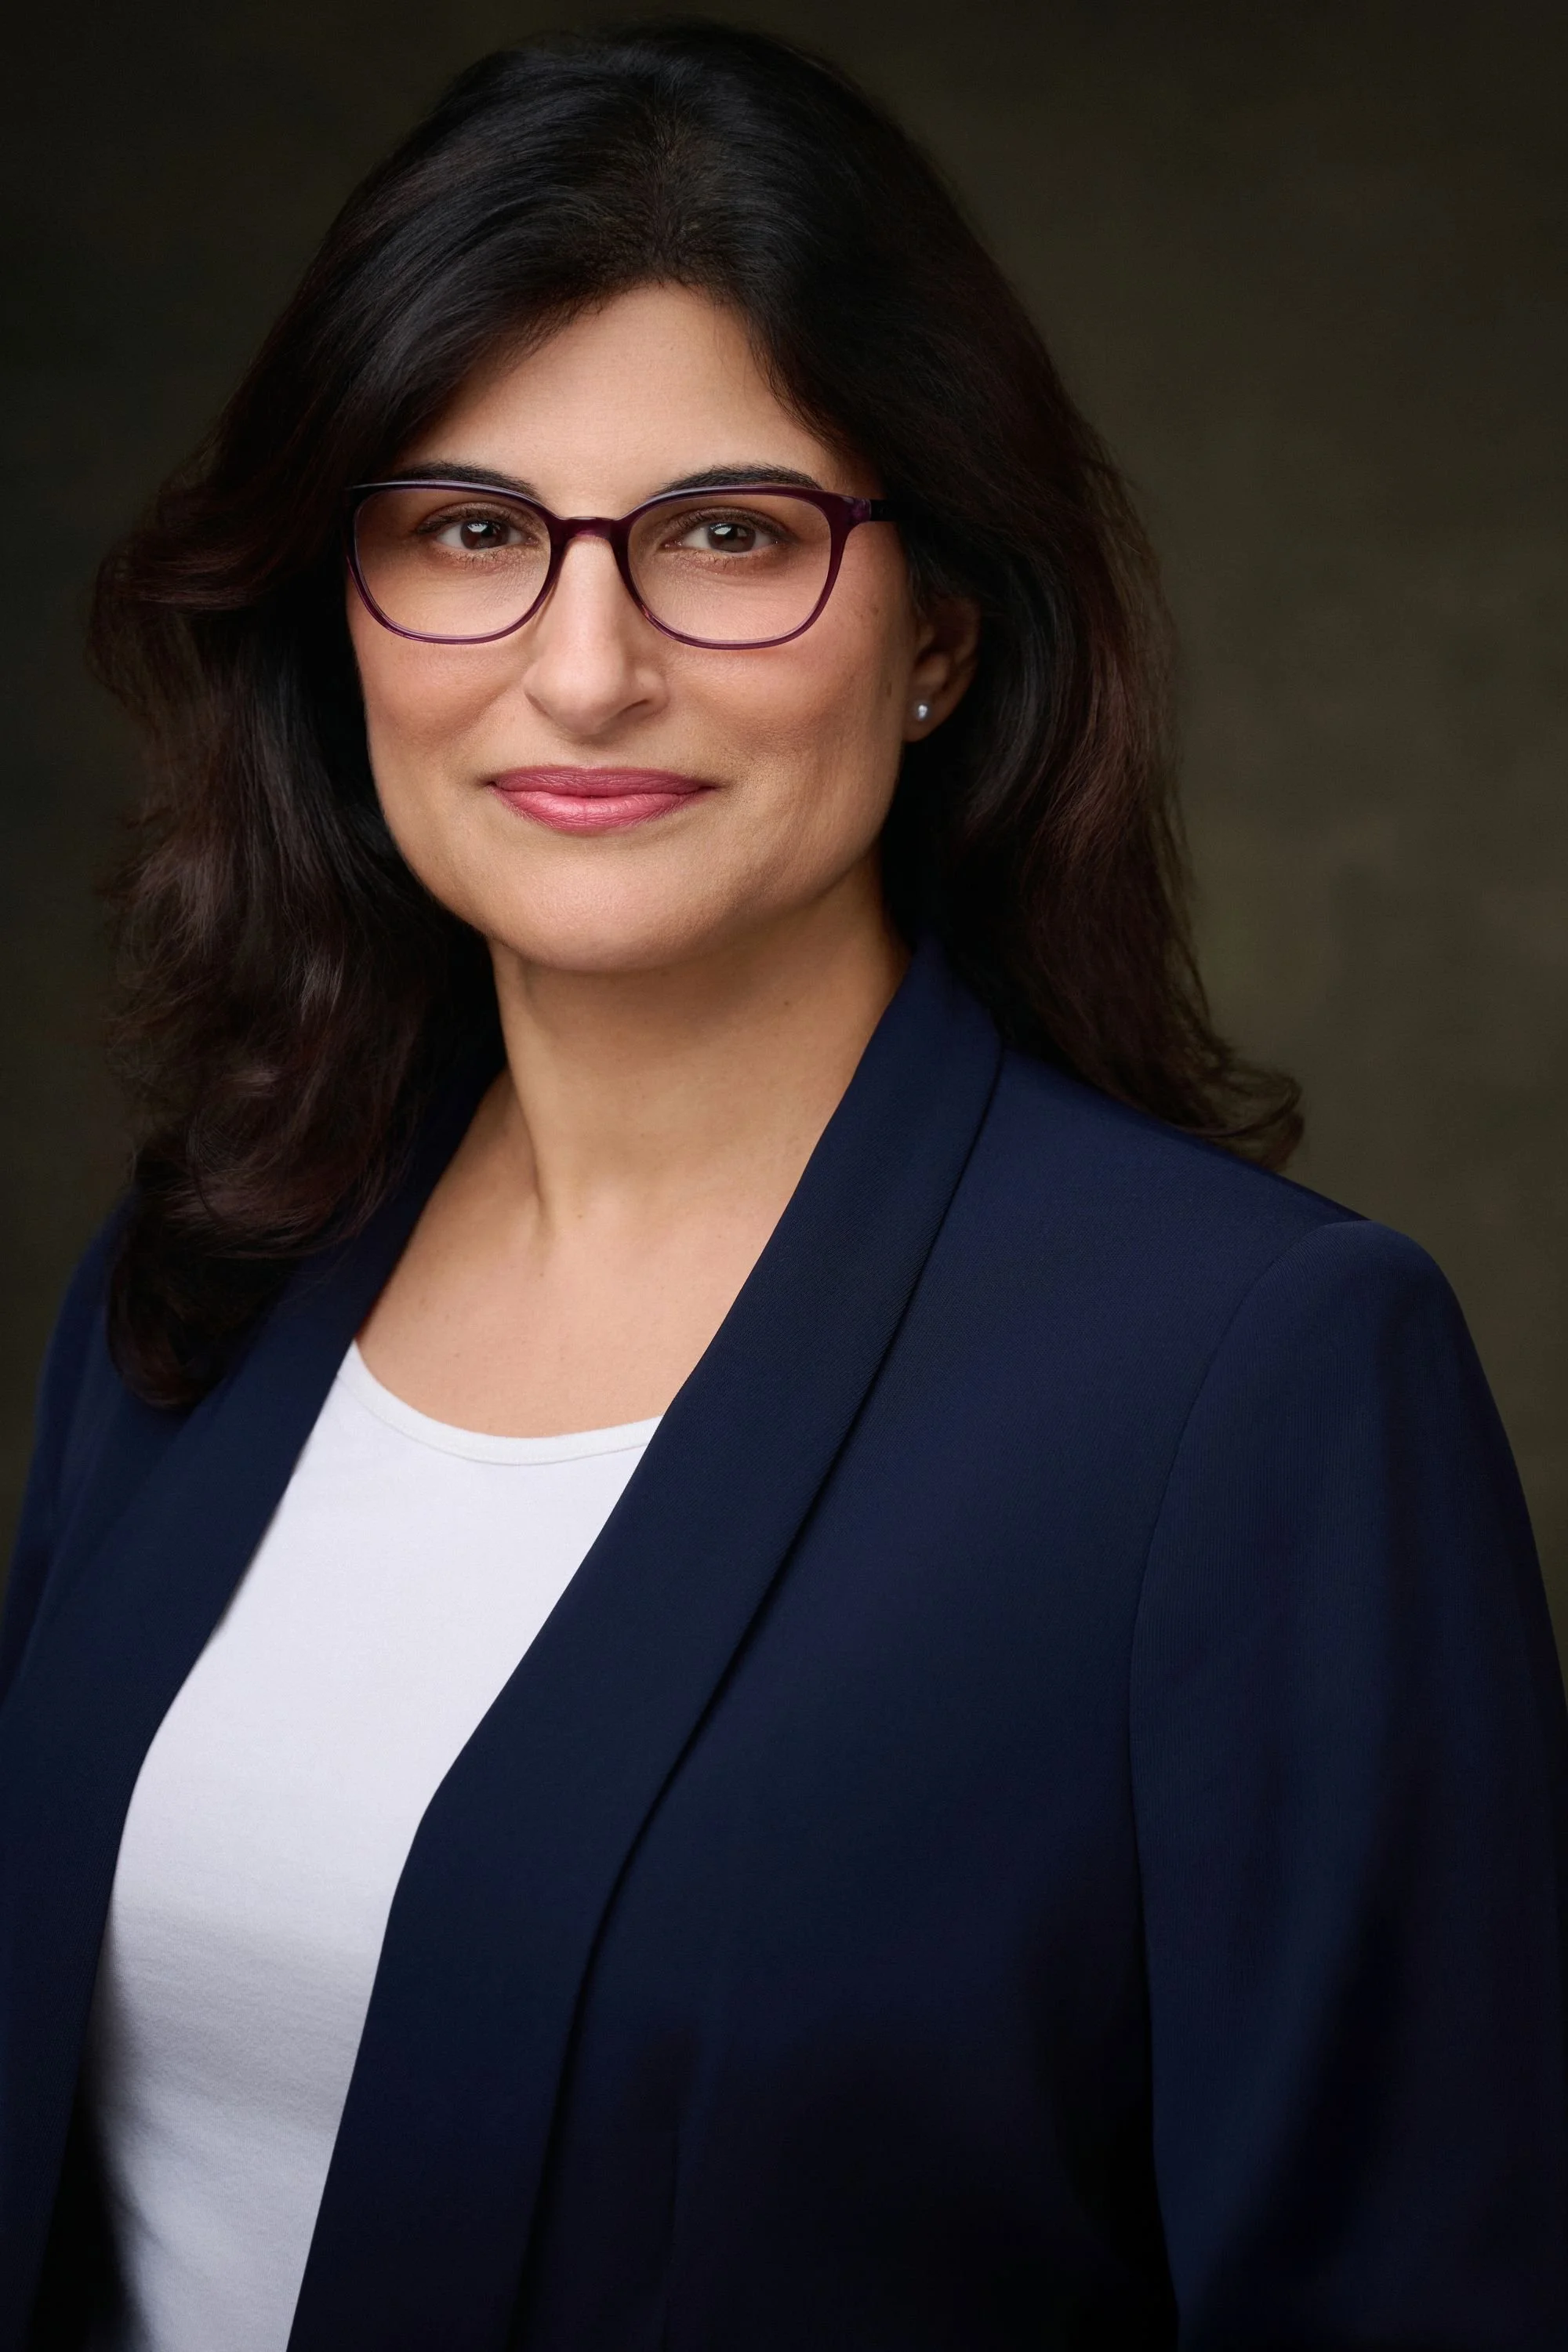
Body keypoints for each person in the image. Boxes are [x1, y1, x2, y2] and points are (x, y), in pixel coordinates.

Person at [2, 21, 1564, 2351]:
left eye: (730, 534)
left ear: (940, 633)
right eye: (470, 530)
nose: (585, 671)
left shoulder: (1251, 1384)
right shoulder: (201, 1282)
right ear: (341, 613)